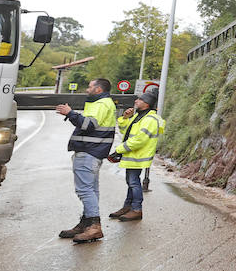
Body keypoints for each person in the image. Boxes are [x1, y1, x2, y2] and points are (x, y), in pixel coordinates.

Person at [54, 78, 118, 243]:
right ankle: (86, 223)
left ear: (98, 89)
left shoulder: (102, 104)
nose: (87, 89)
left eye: (90, 86)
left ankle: (94, 227)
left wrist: (70, 113)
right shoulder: (102, 103)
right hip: (93, 152)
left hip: (89, 152)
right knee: (91, 190)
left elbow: (88, 125)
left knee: (85, 190)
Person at [108, 87, 163, 221]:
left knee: (133, 182)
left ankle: (137, 209)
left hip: (138, 156)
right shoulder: (138, 116)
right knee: (131, 181)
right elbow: (124, 132)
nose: (136, 101)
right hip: (132, 155)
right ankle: (128, 207)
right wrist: (125, 118)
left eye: (140, 99)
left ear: (147, 103)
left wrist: (119, 149)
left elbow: (139, 140)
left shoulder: (150, 119)